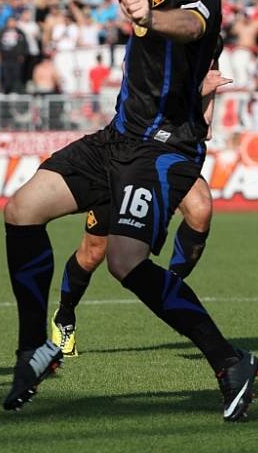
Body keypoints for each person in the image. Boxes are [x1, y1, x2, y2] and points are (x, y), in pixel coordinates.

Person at [0, 0, 258, 421]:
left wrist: (151, 18)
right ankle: (32, 353)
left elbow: (192, 25)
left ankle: (230, 362)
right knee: (21, 210)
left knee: (124, 261)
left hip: (163, 149)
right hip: (117, 138)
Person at [52, 59, 230, 356]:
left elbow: (204, 128)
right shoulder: (149, 46)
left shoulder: (208, 51)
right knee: (93, 252)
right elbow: (145, 97)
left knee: (201, 209)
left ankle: (170, 286)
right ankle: (64, 315)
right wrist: (198, 89)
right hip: (126, 154)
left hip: (169, 157)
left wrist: (203, 97)